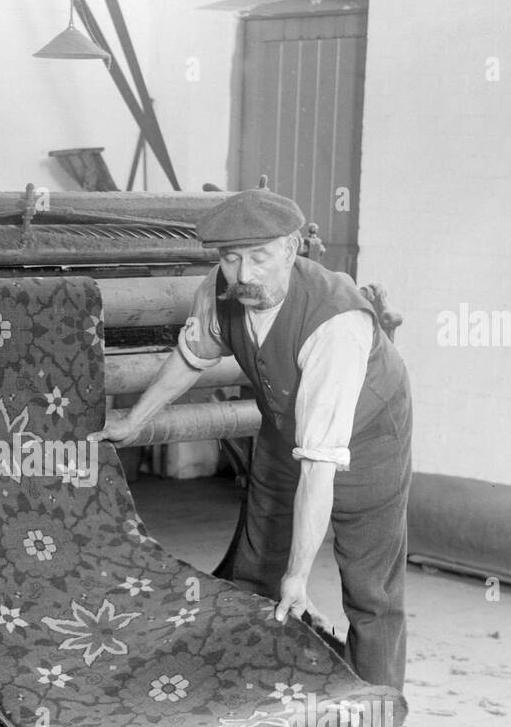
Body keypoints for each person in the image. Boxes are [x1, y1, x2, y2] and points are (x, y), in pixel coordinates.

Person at [91, 188, 413, 694]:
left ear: (291, 248)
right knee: (257, 565)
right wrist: (136, 419)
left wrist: (300, 576)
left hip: (369, 441)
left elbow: (319, 466)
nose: (243, 276)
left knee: (371, 592)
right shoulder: (220, 290)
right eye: (230, 258)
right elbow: (192, 356)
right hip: (283, 430)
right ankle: (249, 688)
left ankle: (381, 712)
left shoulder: (336, 323)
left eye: (259, 258)